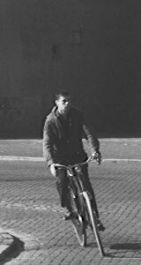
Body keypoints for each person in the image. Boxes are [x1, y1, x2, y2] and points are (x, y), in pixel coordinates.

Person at [42, 90, 104, 231]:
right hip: (60, 158)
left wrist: (95, 151)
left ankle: (95, 218)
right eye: (64, 101)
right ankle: (69, 208)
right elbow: (47, 143)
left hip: (77, 155)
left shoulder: (78, 115)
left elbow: (89, 133)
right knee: (62, 182)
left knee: (86, 186)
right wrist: (51, 163)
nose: (67, 104)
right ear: (57, 103)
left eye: (69, 100)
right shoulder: (50, 120)